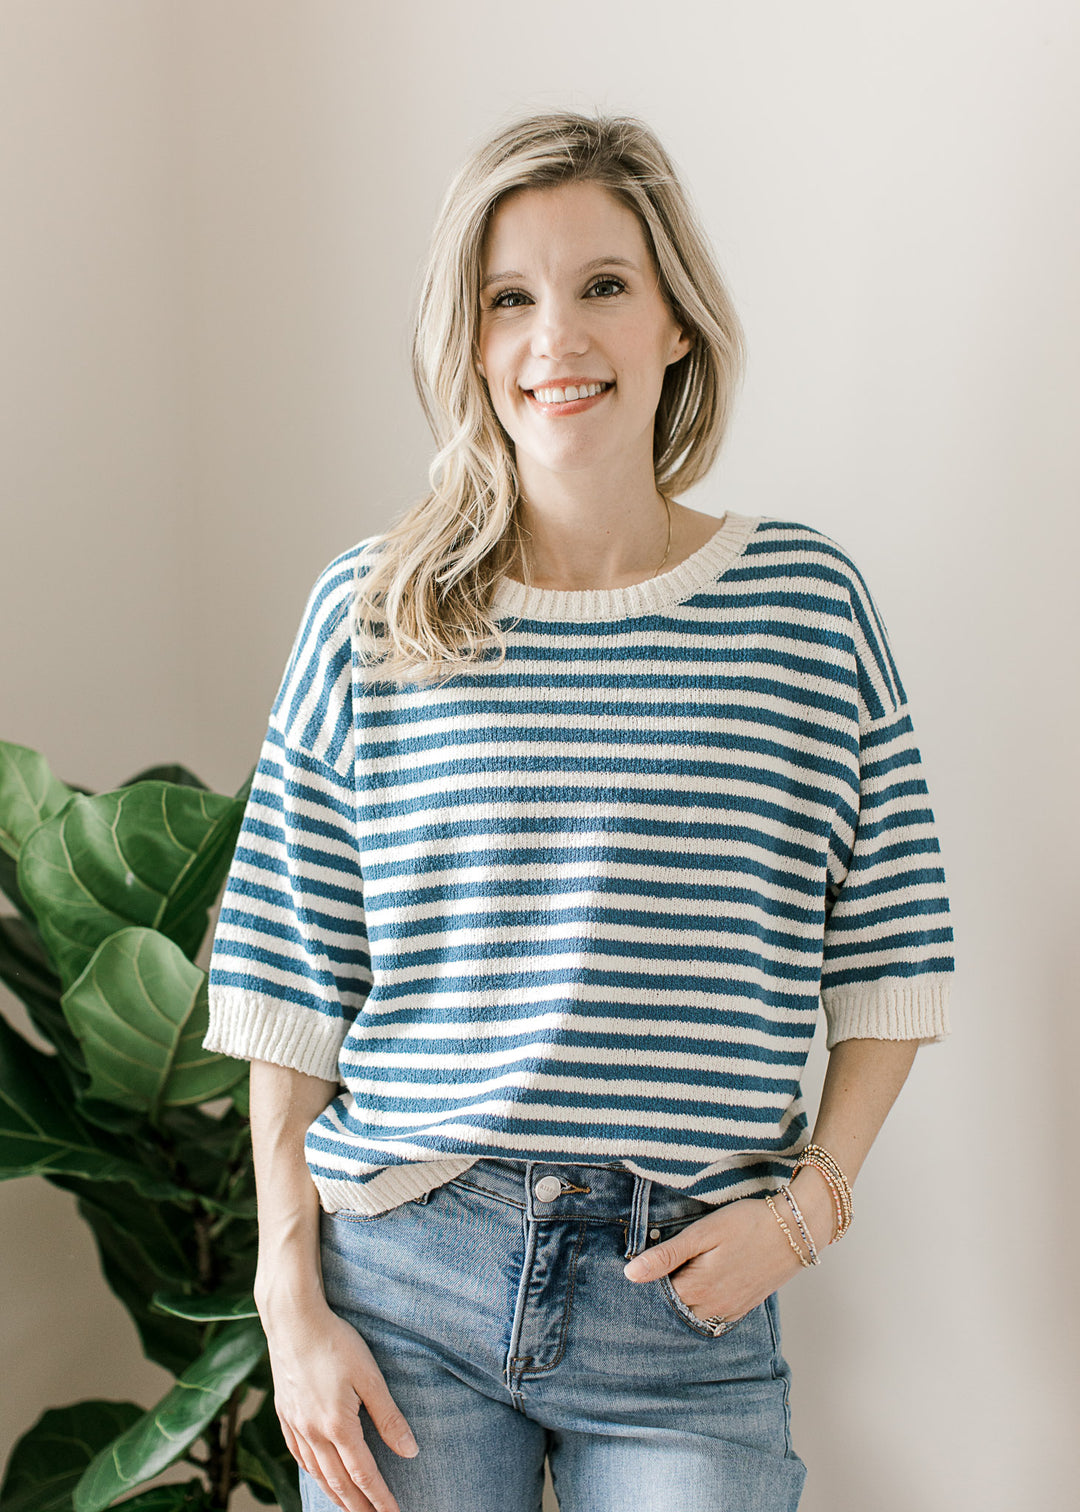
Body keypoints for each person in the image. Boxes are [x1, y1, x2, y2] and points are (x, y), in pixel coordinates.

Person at [204, 109, 954, 1512]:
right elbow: (287, 980)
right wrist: (287, 1301)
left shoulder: (803, 606)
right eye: (510, 298)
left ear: (676, 322)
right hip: (405, 1284)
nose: (557, 337)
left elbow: (893, 959)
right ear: (471, 340)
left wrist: (809, 1213)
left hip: (688, 1305)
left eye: (603, 284)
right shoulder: (373, 612)